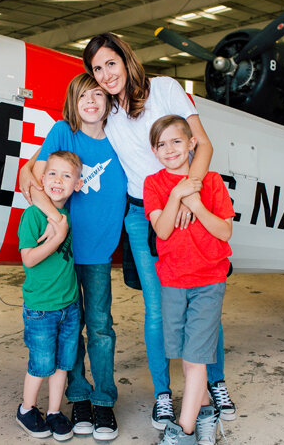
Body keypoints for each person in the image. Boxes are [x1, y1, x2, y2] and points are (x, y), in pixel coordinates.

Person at [86, 32, 235, 427]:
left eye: (110, 63)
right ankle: (164, 395)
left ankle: (213, 384)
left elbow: (202, 145)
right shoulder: (106, 113)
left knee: (203, 298)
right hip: (145, 215)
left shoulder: (165, 89)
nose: (105, 74)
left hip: (190, 201)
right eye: (97, 69)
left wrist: (189, 194)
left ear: (126, 58)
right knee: (159, 309)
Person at [18, 73, 126, 439]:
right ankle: (78, 396)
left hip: (97, 250)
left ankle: (104, 400)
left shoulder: (120, 138)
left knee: (100, 328)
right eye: (84, 96)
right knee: (69, 329)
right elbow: (30, 174)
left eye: (99, 94)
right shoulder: (65, 131)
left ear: (109, 99)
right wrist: (55, 220)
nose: (92, 102)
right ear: (73, 101)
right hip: (63, 251)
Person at [143, 115, 233, 445]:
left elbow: (224, 231)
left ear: (192, 143)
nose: (170, 149)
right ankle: (206, 414)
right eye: (161, 144)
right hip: (173, 281)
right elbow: (162, 230)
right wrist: (176, 195)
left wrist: (195, 203)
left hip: (209, 280)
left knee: (195, 360)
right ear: (154, 150)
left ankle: (184, 430)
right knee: (185, 356)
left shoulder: (212, 182)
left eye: (177, 141)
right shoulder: (153, 184)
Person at [15, 151, 84, 442]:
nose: (58, 180)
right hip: (41, 309)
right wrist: (56, 237)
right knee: (41, 364)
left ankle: (55, 411)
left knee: (63, 364)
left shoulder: (68, 215)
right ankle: (27, 409)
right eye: (53, 174)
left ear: (78, 184)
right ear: (42, 179)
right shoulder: (33, 215)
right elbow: (29, 259)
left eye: (67, 176)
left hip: (68, 307)